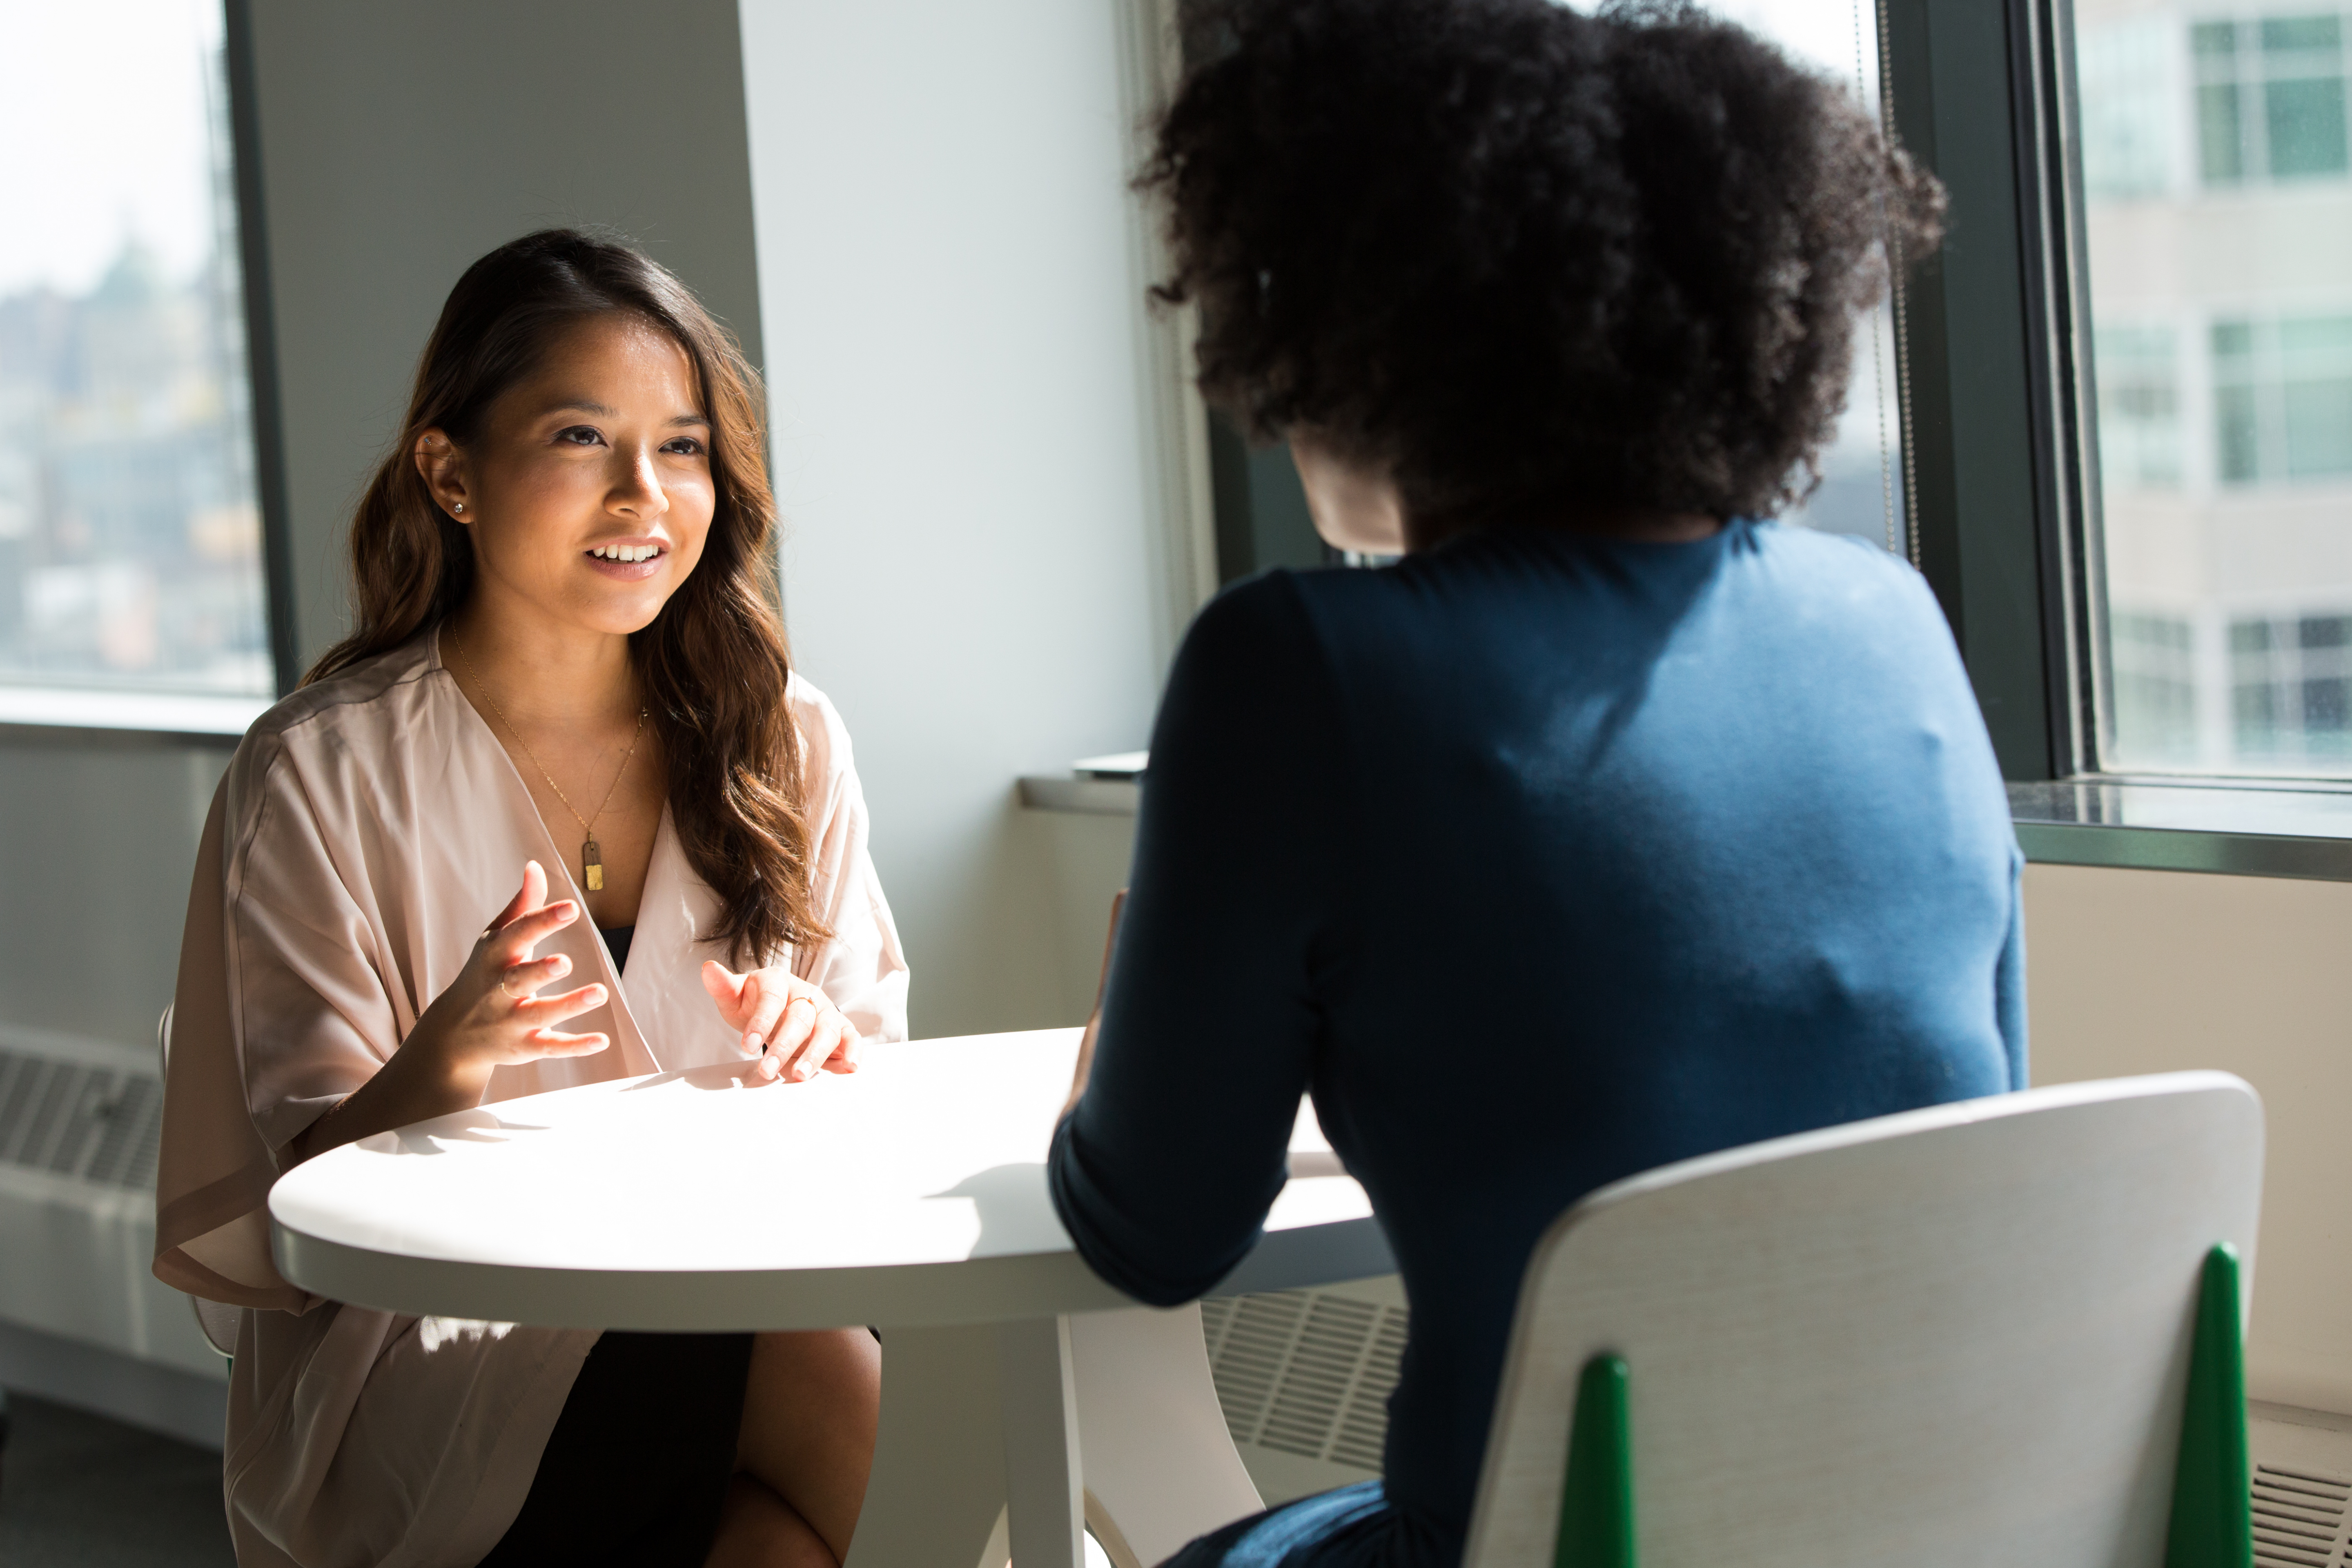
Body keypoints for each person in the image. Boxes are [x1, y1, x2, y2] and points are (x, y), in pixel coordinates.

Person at [1047, 2, 2014, 1565]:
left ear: (1362, 333)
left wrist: (1121, 1054)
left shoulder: (1296, 664)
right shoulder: (1893, 625)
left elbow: (1154, 1233)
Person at [153, 230, 907, 1568]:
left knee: (789, 1511)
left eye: (682, 447)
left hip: (744, 1291)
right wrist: (433, 1073)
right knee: (837, 1381)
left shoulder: (786, 738)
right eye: (580, 439)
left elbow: (876, 1091)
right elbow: (293, 1222)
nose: (646, 495)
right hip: (430, 1358)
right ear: (450, 474)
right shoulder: (320, 772)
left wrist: (823, 1047)